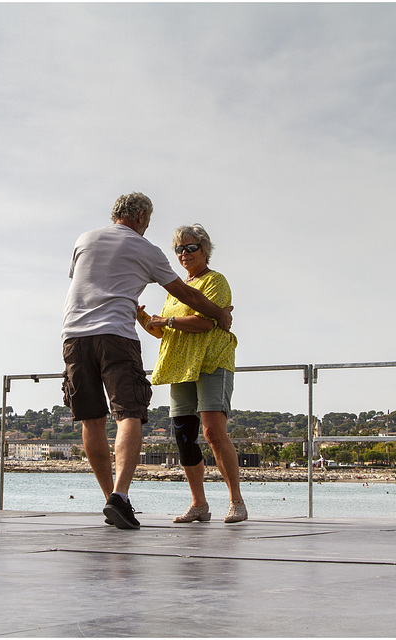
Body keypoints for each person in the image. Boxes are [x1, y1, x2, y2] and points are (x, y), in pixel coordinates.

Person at [61, 194, 233, 530]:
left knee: (92, 419)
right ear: (141, 216)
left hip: (73, 335)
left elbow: (86, 282)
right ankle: (120, 497)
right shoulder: (145, 249)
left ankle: (111, 498)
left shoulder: (84, 239)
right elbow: (189, 296)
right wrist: (221, 316)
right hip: (115, 336)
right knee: (130, 413)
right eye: (149, 221)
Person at [137, 223, 246, 524]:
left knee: (213, 432)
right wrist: (148, 321)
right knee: (184, 436)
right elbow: (167, 329)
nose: (184, 253)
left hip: (211, 362)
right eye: (179, 249)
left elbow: (206, 323)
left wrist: (168, 320)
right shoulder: (176, 292)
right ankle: (199, 505)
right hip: (180, 367)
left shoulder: (215, 282)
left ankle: (236, 501)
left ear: (205, 250)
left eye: (190, 247)